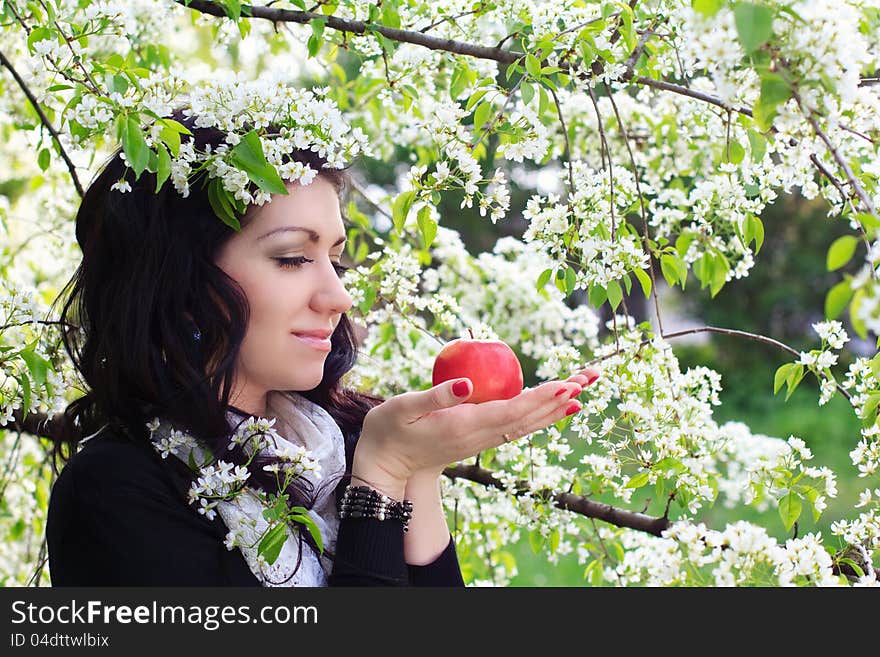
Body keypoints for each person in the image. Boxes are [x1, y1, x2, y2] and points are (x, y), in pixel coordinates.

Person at [45, 101, 599, 587]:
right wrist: (380, 480)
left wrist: (419, 470)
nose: (338, 296)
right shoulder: (116, 491)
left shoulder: (341, 440)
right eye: (292, 258)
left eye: (334, 259)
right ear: (181, 279)